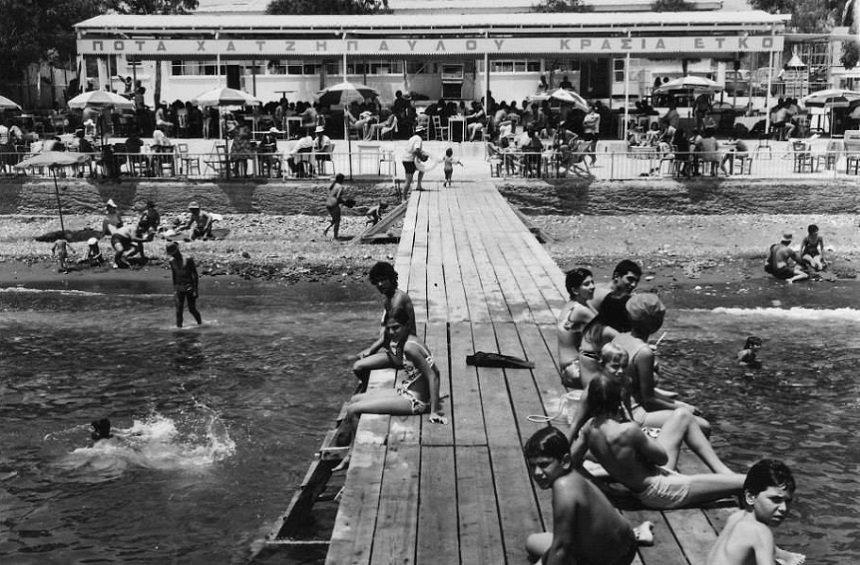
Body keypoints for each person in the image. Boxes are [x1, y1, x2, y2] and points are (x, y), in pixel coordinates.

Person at [570, 375, 745, 510]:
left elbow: (572, 462)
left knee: (682, 415)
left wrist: (601, 487)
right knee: (745, 481)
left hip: (648, 481)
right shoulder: (629, 430)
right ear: (618, 401)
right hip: (659, 491)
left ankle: (723, 471)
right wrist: (631, 422)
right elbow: (661, 458)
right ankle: (740, 488)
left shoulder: (588, 429)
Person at [524, 426, 654, 565]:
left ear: (565, 461)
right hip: (623, 544)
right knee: (531, 542)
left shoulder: (564, 487)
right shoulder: (572, 475)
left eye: (544, 464)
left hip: (609, 559)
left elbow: (561, 549)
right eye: (532, 466)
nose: (537, 472)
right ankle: (640, 532)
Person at [612, 293, 711, 433]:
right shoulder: (644, 352)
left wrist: (680, 404)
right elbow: (649, 400)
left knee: (681, 405)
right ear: (656, 324)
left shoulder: (619, 338)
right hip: (634, 413)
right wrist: (683, 407)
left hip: (617, 406)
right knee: (703, 426)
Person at [707, 459, 805, 565]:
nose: (784, 508)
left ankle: (783, 555)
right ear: (750, 497)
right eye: (776, 500)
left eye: (788, 501)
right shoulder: (760, 532)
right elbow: (761, 538)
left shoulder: (736, 517)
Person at [352, 261, 416, 388]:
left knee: (358, 366)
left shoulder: (397, 301)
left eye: (383, 280)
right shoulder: (390, 298)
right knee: (359, 357)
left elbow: (388, 334)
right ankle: (366, 387)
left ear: (391, 279)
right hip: (397, 347)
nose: (380, 284)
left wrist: (371, 350)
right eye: (377, 281)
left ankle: (367, 390)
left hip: (402, 355)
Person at [558, 268, 597, 388]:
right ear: (575, 290)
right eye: (587, 284)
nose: (593, 286)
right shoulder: (581, 310)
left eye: (592, 282)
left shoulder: (572, 304)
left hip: (567, 369)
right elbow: (607, 329)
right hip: (575, 371)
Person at [589, 259, 642, 333]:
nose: (634, 285)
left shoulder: (598, 286)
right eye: (630, 279)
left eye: (637, 281)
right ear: (616, 276)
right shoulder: (610, 297)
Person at [166, 241, 202, 328]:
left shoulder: (188, 259)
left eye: (172, 253)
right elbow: (174, 275)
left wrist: (195, 290)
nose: (172, 256)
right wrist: (175, 289)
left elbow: (194, 274)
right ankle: (179, 330)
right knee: (178, 310)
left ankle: (200, 324)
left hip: (189, 286)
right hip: (179, 287)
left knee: (192, 309)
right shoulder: (171, 261)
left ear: (177, 251)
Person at [400, 125, 427, 198]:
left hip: (406, 159)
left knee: (422, 169)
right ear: (421, 132)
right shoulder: (418, 139)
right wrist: (422, 158)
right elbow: (416, 150)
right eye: (424, 132)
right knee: (408, 181)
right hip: (409, 161)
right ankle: (403, 198)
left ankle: (418, 186)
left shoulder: (412, 138)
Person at [323, 173, 348, 240]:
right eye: (343, 179)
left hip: (328, 204)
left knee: (335, 219)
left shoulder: (333, 185)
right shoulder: (340, 187)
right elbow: (338, 197)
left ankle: (326, 229)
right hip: (334, 204)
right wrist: (345, 202)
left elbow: (331, 195)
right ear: (341, 179)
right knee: (337, 221)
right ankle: (335, 237)